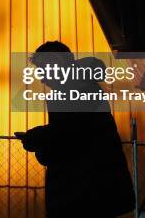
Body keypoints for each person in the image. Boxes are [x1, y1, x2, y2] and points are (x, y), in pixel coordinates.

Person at [15, 41, 135, 217]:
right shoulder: (81, 87)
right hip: (92, 192)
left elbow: (66, 135)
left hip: (84, 193)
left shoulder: (76, 89)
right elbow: (68, 134)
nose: (41, 77)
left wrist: (35, 138)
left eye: (42, 69)